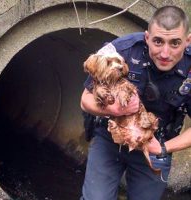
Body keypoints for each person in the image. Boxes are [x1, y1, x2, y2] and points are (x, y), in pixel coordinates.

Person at [80, 5, 191, 200]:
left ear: (187, 41)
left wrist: (164, 148)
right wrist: (113, 109)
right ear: (147, 37)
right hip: (110, 137)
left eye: (175, 43)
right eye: (158, 41)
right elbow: (85, 100)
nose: (165, 53)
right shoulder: (122, 50)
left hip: (156, 144)